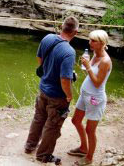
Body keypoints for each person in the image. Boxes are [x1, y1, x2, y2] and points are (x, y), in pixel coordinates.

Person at [25, 16, 79, 164]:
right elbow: (65, 79)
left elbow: (40, 60)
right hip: (57, 96)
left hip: (43, 89)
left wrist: (49, 72)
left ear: (62, 27)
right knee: (52, 126)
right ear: (76, 32)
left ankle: (30, 146)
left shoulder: (47, 38)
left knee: (39, 118)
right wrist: (69, 96)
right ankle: (43, 155)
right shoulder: (69, 52)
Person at [68, 30, 112, 166]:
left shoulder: (105, 61)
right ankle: (83, 148)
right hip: (85, 95)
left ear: (102, 43)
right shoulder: (95, 54)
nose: (90, 42)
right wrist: (86, 64)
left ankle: (89, 158)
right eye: (90, 40)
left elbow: (98, 82)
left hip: (95, 99)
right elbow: (90, 70)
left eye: (93, 40)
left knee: (90, 130)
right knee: (75, 120)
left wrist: (88, 67)